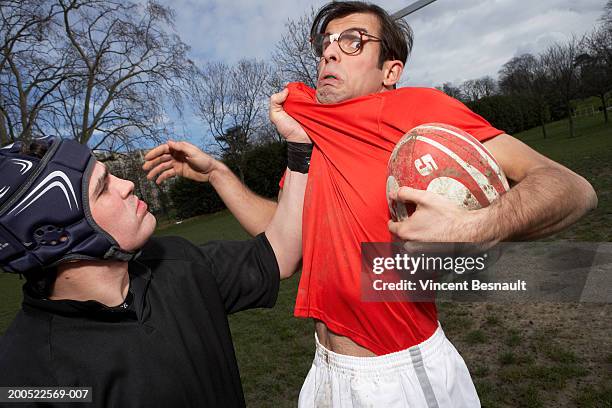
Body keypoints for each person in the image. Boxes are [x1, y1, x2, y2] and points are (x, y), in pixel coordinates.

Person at [144, 2, 598, 407]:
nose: (330, 52)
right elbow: (287, 245)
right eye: (325, 43)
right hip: (323, 372)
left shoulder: (416, 110)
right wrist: (219, 175)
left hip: (400, 374)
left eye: (352, 40)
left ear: (390, 70)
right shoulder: (307, 136)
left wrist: (479, 225)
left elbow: (569, 187)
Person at [0, 96, 310, 407]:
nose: (127, 185)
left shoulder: (177, 262)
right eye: (102, 188)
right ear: (58, 237)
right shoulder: (29, 378)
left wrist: (295, 147)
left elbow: (280, 253)